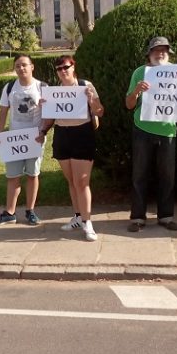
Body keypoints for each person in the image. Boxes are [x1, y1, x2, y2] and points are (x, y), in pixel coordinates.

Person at [124, 36, 177, 232]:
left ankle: (165, 216)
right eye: (156, 50)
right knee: (140, 174)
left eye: (164, 50)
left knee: (167, 176)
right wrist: (137, 91)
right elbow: (129, 104)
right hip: (142, 129)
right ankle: (138, 217)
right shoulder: (140, 72)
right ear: (149, 54)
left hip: (168, 131)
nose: (161, 53)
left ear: (169, 53)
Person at [38, 55, 105, 241]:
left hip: (82, 134)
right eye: (59, 69)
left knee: (82, 182)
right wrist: (43, 117)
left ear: (73, 67)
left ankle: (87, 222)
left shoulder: (85, 85)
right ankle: (77, 216)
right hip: (62, 135)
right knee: (72, 181)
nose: (62, 71)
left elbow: (100, 111)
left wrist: (92, 100)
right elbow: (50, 118)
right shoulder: (54, 91)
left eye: (65, 67)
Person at [0, 55, 45, 226]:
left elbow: (49, 114)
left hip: (34, 139)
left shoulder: (42, 87)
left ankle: (30, 211)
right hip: (14, 140)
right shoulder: (9, 88)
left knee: (32, 175)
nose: (21, 69)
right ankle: (10, 212)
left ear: (32, 67)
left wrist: (43, 132)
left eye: (24, 65)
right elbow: (3, 113)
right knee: (13, 176)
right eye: (18, 66)